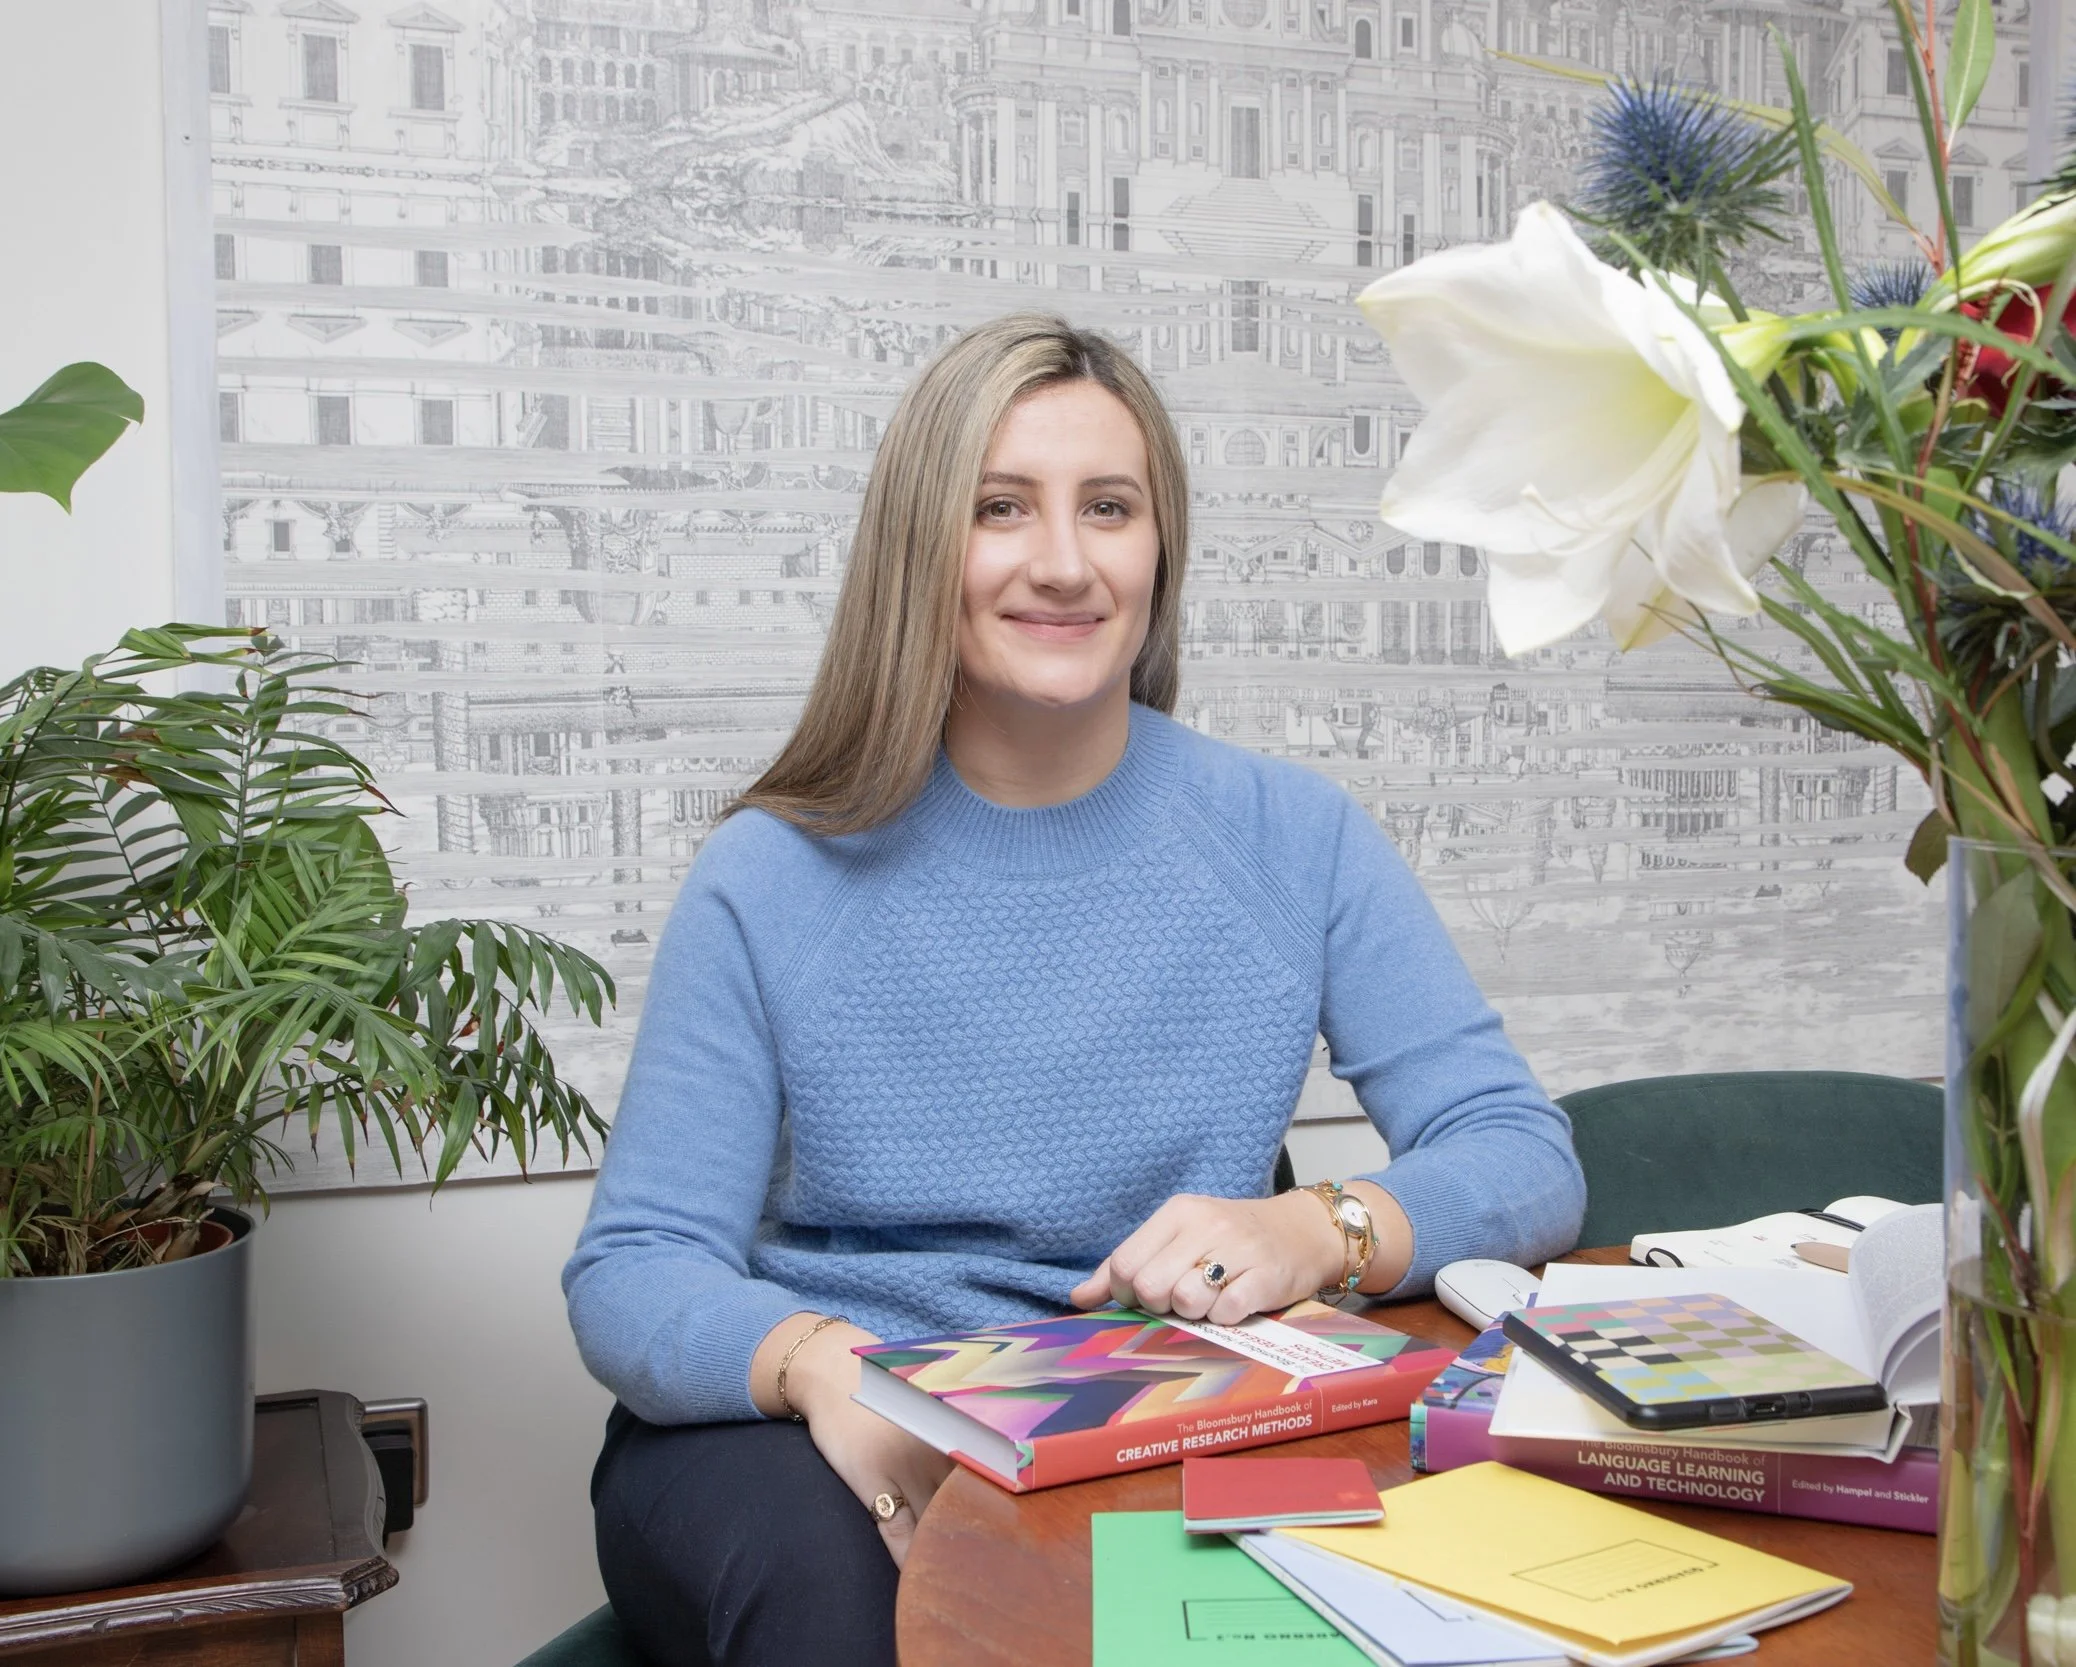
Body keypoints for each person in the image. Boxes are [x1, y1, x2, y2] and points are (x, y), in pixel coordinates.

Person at [562, 313, 1586, 1667]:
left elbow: (1522, 1155)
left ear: (1160, 548)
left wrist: (1314, 1228)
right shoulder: (771, 872)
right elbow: (634, 1271)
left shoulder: (1293, 833)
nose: (1062, 561)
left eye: (1109, 507)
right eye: (1001, 508)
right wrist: (834, 1374)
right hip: (814, 1426)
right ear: (925, 546)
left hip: (1154, 1409)